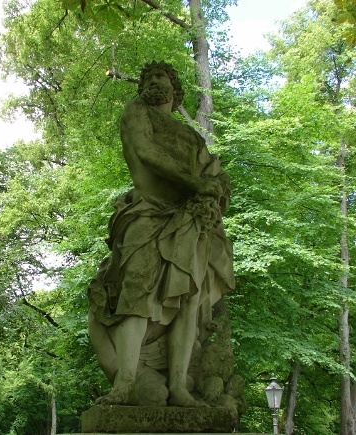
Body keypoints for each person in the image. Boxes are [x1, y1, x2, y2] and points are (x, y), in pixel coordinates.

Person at [87, 61, 235, 407]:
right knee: (136, 293)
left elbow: (214, 173)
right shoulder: (137, 111)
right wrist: (197, 183)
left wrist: (218, 188)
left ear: (174, 87)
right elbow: (146, 152)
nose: (154, 81)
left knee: (188, 301)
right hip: (146, 212)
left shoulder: (191, 137)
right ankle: (125, 382)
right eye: (148, 77)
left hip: (188, 222)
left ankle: (179, 387)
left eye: (161, 77)